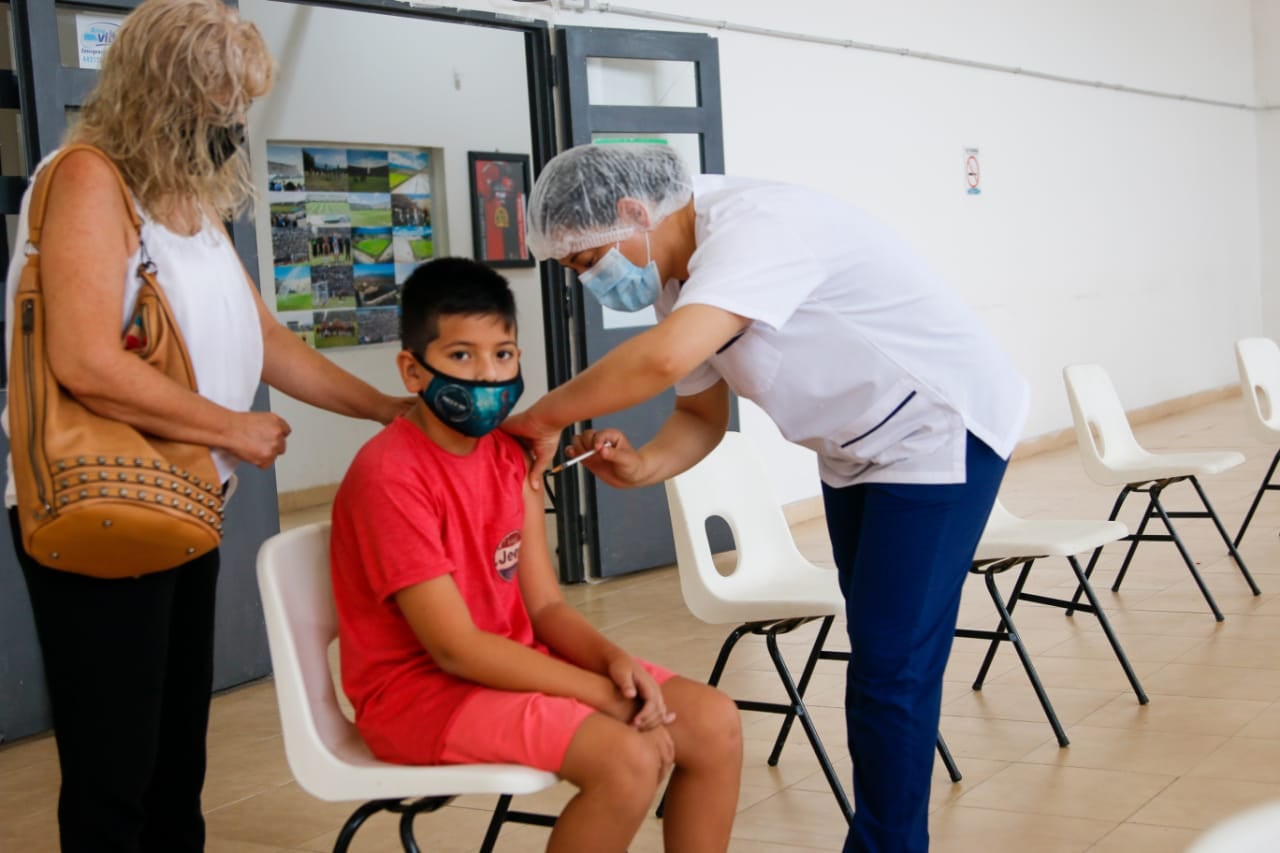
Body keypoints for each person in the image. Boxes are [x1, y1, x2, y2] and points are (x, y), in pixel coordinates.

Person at [504, 143, 1030, 853]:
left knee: (891, 665)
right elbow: (699, 418)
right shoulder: (673, 276)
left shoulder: (760, 227)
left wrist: (542, 415)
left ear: (634, 212)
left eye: (584, 260)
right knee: (879, 654)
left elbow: (662, 359)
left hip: (939, 428)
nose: (589, 281)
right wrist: (644, 466)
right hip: (855, 449)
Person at [1, 2, 411, 851]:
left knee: (175, 757)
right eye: (216, 105)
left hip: (186, 499)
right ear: (160, 94)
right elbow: (83, 361)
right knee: (116, 766)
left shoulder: (188, 198)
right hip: (103, 501)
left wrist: (384, 409)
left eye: (240, 106)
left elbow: (263, 339)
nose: (231, 124)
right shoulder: (85, 177)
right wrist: (232, 424)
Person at [329, 257, 742, 853]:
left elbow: (544, 606)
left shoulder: (508, 457)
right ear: (412, 370)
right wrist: (598, 694)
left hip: (511, 663)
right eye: (461, 356)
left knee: (714, 722)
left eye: (503, 354)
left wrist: (611, 661)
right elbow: (455, 648)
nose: (488, 375)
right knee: (628, 758)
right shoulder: (389, 476)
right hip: (420, 697)